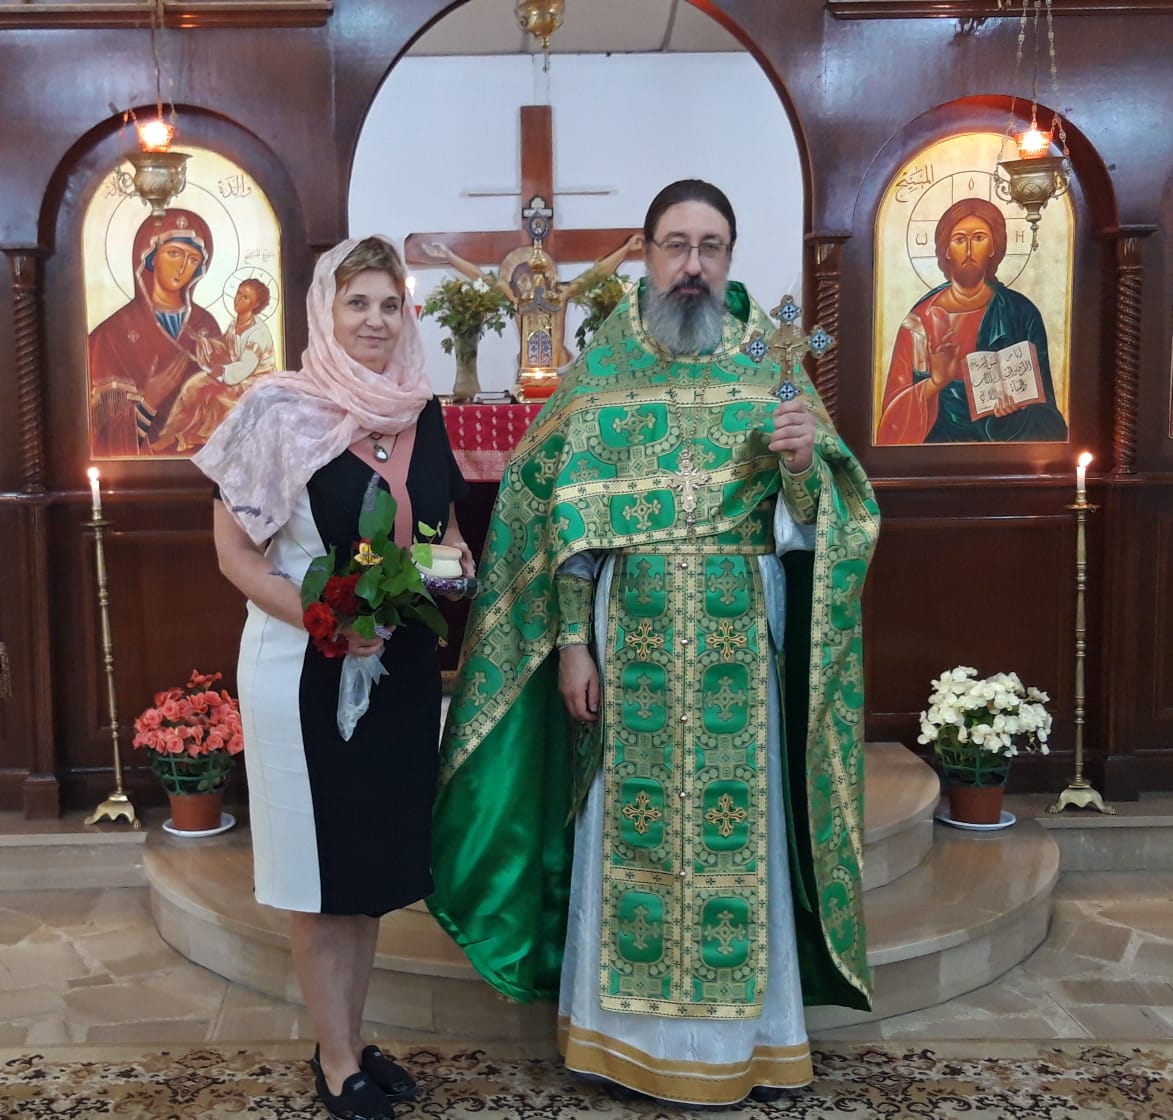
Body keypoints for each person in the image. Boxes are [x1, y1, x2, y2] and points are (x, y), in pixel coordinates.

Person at [428, 181, 880, 1106]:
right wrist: (570, 645)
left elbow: (831, 521)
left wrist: (803, 466)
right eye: (676, 244)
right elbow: (556, 520)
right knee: (624, 839)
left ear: (730, 256)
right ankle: (621, 1044)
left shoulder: (768, 367)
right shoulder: (602, 370)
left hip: (736, 651)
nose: (692, 265)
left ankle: (746, 1046)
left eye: (711, 246)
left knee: (735, 837)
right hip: (625, 639)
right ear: (644, 253)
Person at [194, 236, 474, 1120]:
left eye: (389, 304)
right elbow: (236, 555)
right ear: (325, 310)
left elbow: (439, 531)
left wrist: (451, 564)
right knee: (317, 875)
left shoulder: (420, 409)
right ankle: (335, 1056)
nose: (374, 321)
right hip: (301, 668)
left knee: (367, 869)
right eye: (357, 303)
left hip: (397, 672)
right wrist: (325, 617)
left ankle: (348, 1036)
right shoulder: (277, 410)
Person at [877, 196, 1068, 443]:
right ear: (946, 249)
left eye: (979, 238)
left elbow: (1047, 418)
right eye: (959, 240)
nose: (968, 250)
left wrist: (1015, 414)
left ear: (993, 247)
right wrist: (935, 383)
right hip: (935, 452)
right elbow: (892, 424)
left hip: (1004, 454)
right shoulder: (919, 323)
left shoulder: (1021, 313)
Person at [88, 209, 221, 456]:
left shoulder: (207, 326)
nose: (182, 267)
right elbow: (94, 432)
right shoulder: (111, 335)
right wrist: (149, 401)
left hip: (198, 465)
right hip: (139, 471)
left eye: (193, 259)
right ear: (150, 257)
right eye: (174, 253)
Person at [421, 233, 641, 373]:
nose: (530, 285)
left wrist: (626, 249)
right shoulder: (516, 303)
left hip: (560, 369)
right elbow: (480, 277)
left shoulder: (560, 295)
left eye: (533, 277)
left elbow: (595, 274)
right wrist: (449, 256)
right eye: (522, 281)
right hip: (529, 373)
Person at [152, 277, 278, 454]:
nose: (238, 299)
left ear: (255, 304)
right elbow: (226, 346)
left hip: (254, 384)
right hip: (233, 376)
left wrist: (222, 371)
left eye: (246, 297)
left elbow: (245, 367)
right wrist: (202, 342)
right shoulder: (236, 324)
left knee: (214, 397)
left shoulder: (258, 333)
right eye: (239, 293)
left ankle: (188, 438)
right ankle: (170, 434)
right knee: (193, 386)